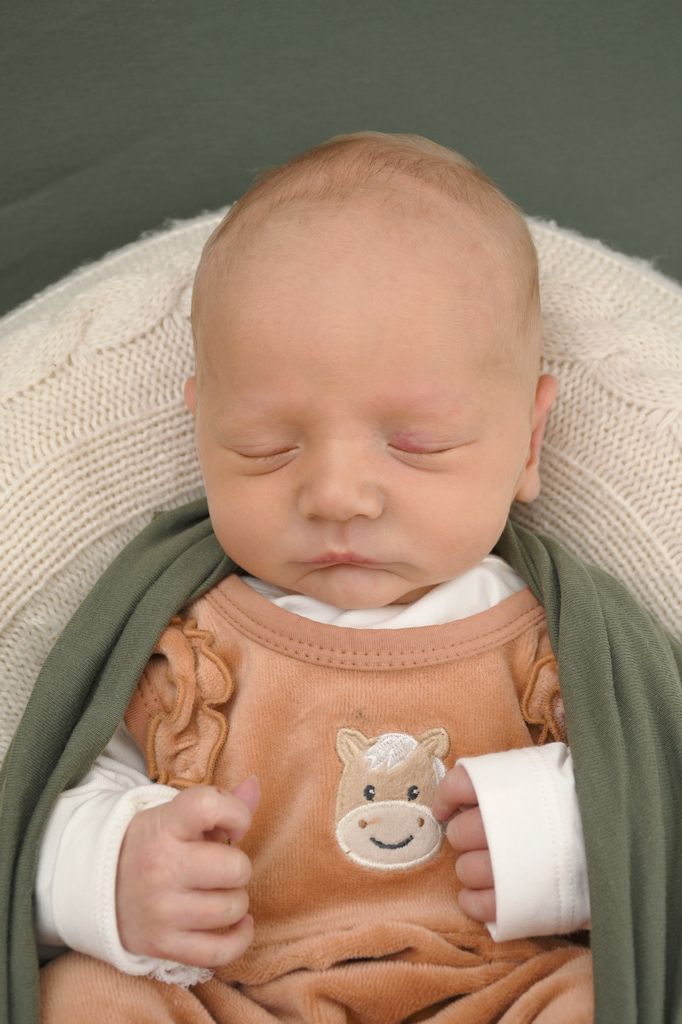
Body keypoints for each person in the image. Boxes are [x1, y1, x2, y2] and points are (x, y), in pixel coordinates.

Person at [36, 131, 593, 1022]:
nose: (335, 495)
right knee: (83, 993)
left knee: (599, 994)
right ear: (201, 430)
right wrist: (113, 871)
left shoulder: (555, 642)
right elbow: (43, 814)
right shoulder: (186, 643)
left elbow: (652, 806)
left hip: (498, 990)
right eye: (266, 447)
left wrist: (566, 847)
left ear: (528, 442)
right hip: (236, 995)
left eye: (416, 444)